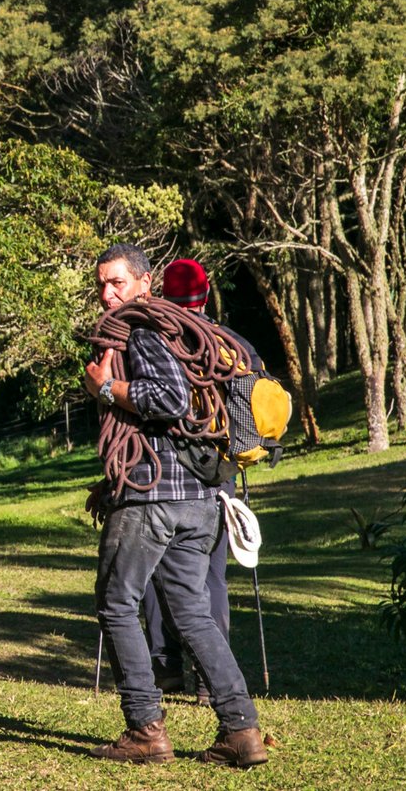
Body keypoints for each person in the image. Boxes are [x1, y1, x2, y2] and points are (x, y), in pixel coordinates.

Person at [84, 243, 267, 767]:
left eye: (118, 282)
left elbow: (168, 400)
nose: (107, 293)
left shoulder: (144, 331)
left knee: (117, 603)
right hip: (201, 497)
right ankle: (241, 731)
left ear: (145, 284)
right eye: (101, 284)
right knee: (192, 613)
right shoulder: (188, 332)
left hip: (153, 498)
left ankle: (145, 728)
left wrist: (105, 389)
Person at [142, 258, 231, 701]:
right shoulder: (225, 341)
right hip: (217, 468)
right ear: (207, 293)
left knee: (157, 569)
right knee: (212, 573)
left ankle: (167, 667)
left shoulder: (155, 336)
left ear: (160, 291)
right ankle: (212, 677)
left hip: (165, 469)